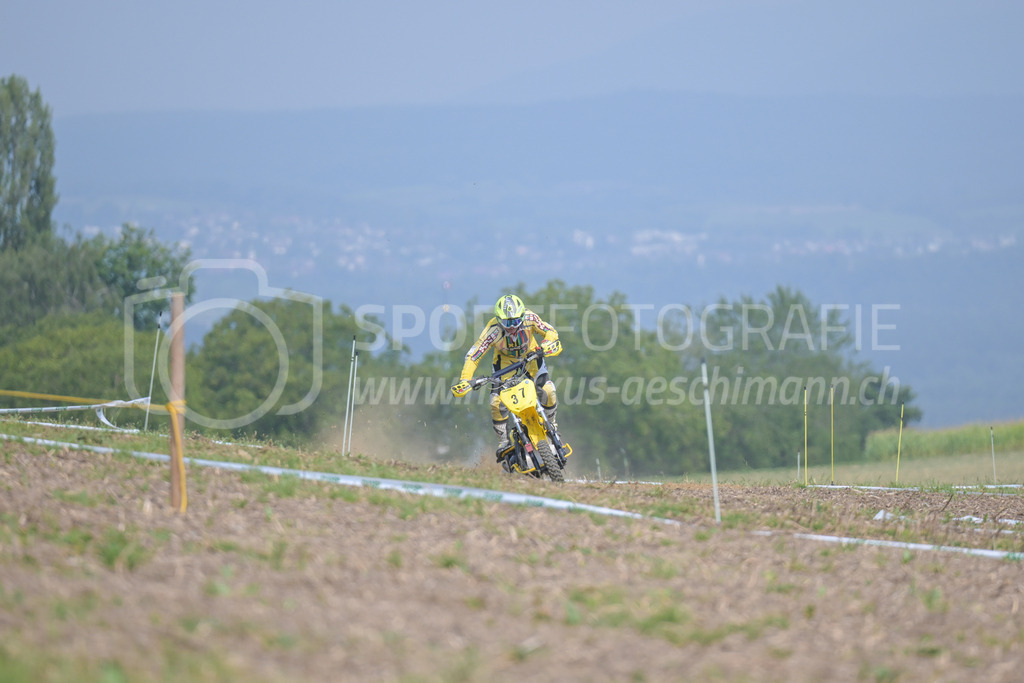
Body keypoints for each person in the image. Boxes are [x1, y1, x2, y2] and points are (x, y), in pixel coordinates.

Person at [450, 294, 562, 458]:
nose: (512, 326)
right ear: (498, 319)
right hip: (505, 363)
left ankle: (551, 425)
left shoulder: (530, 318)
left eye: (516, 321)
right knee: (496, 402)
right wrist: (465, 380)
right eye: (507, 322)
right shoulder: (492, 331)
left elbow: (550, 331)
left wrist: (545, 345)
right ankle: (503, 440)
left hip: (530, 355)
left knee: (548, 389)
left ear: (522, 315)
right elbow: (474, 355)